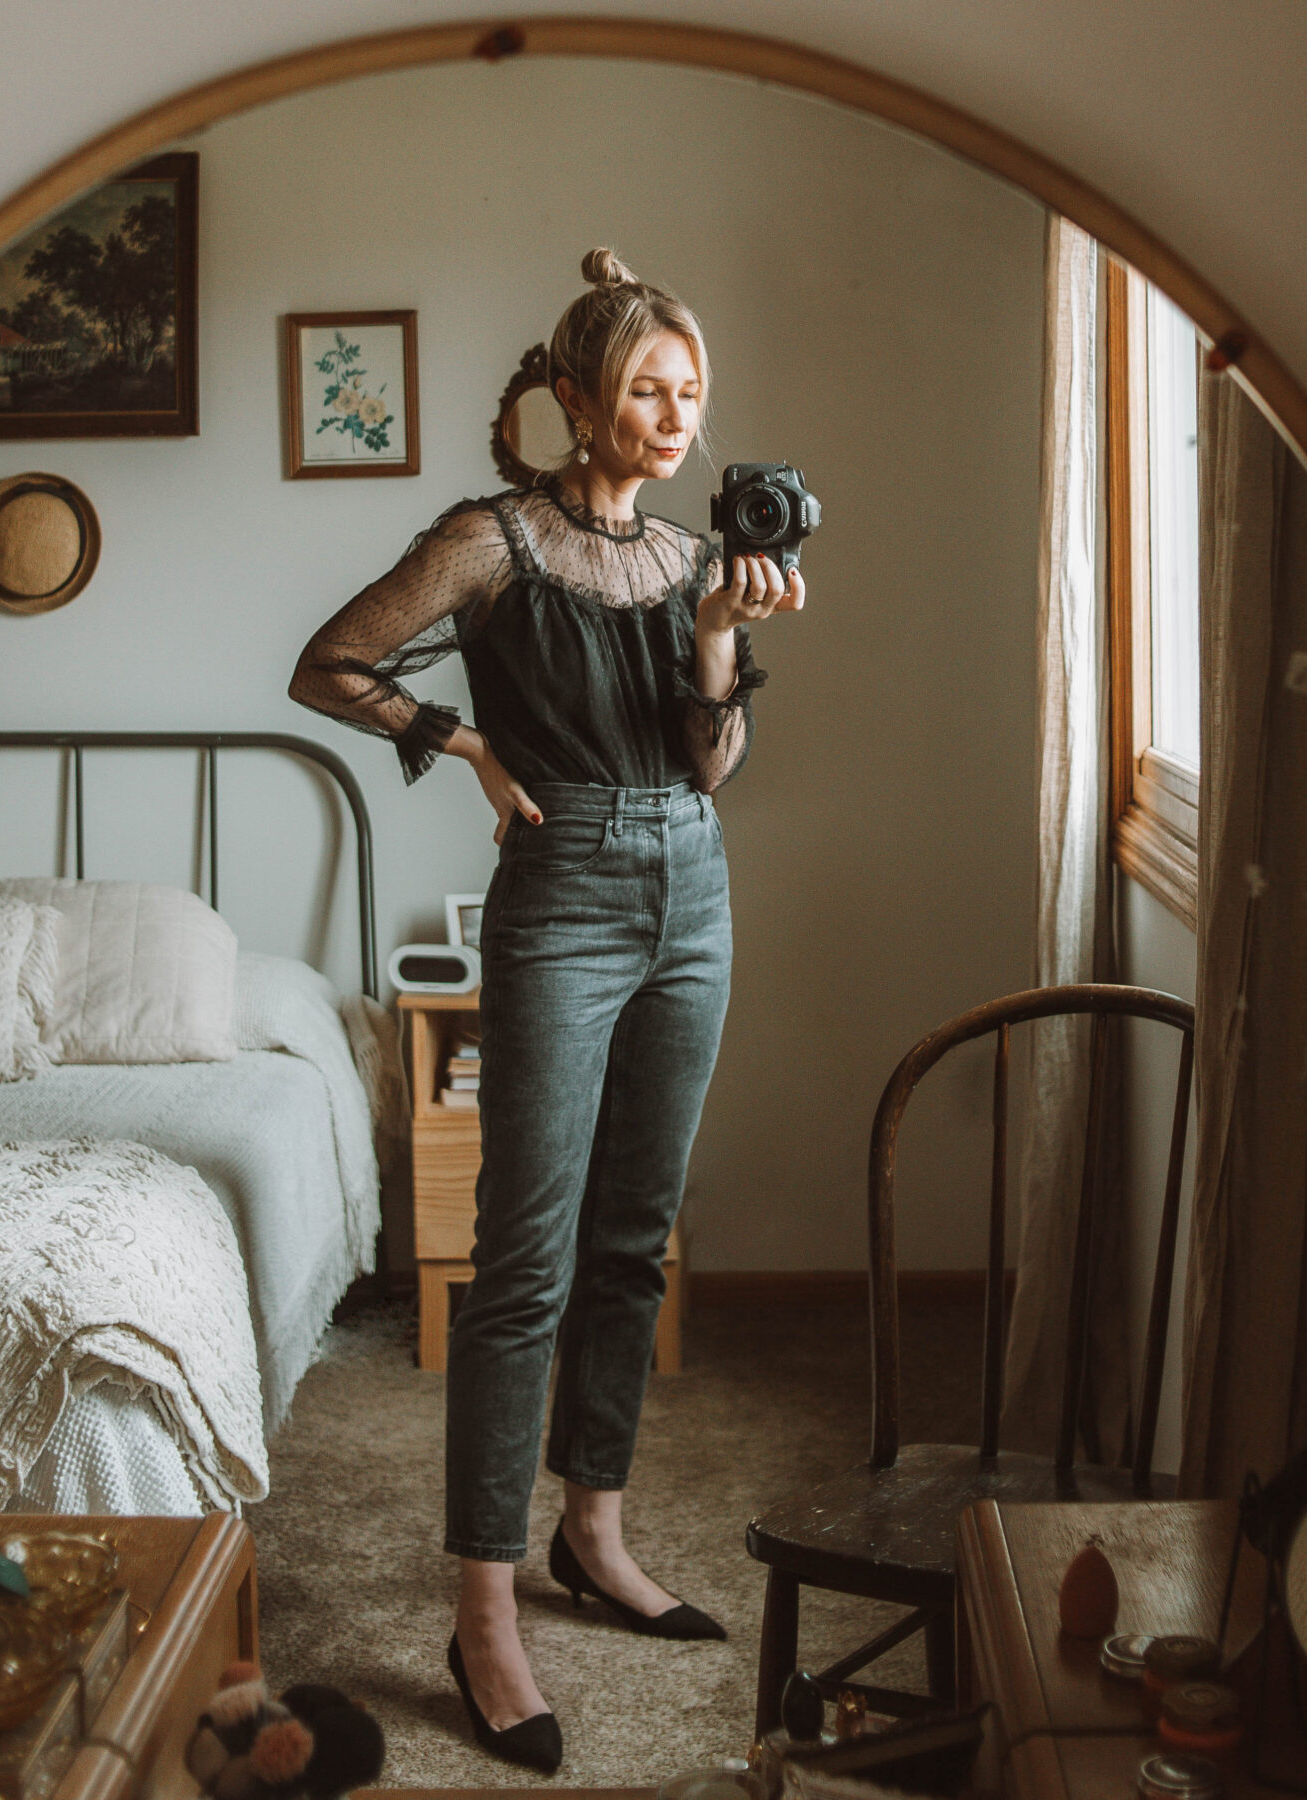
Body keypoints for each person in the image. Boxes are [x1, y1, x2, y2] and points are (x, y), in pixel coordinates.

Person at [289, 248, 805, 1772]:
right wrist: (468, 749)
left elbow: (710, 766)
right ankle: (484, 1605)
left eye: (691, 391)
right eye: (646, 386)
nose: (674, 414)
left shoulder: (684, 559)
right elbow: (332, 663)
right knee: (524, 1257)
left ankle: (595, 1530)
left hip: (693, 889)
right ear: (575, 400)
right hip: (566, 892)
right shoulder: (491, 541)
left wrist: (717, 627)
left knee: (638, 1233)